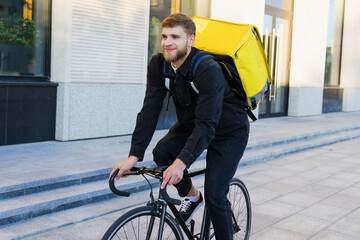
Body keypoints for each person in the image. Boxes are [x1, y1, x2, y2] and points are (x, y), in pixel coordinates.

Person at [110, 13, 249, 240]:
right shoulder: (159, 65)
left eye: (175, 36)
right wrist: (134, 156)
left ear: (191, 40)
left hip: (229, 132)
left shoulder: (207, 69)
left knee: (215, 195)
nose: (167, 42)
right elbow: (149, 110)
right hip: (192, 123)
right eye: (164, 36)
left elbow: (207, 125)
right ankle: (192, 197)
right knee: (163, 151)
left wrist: (181, 164)